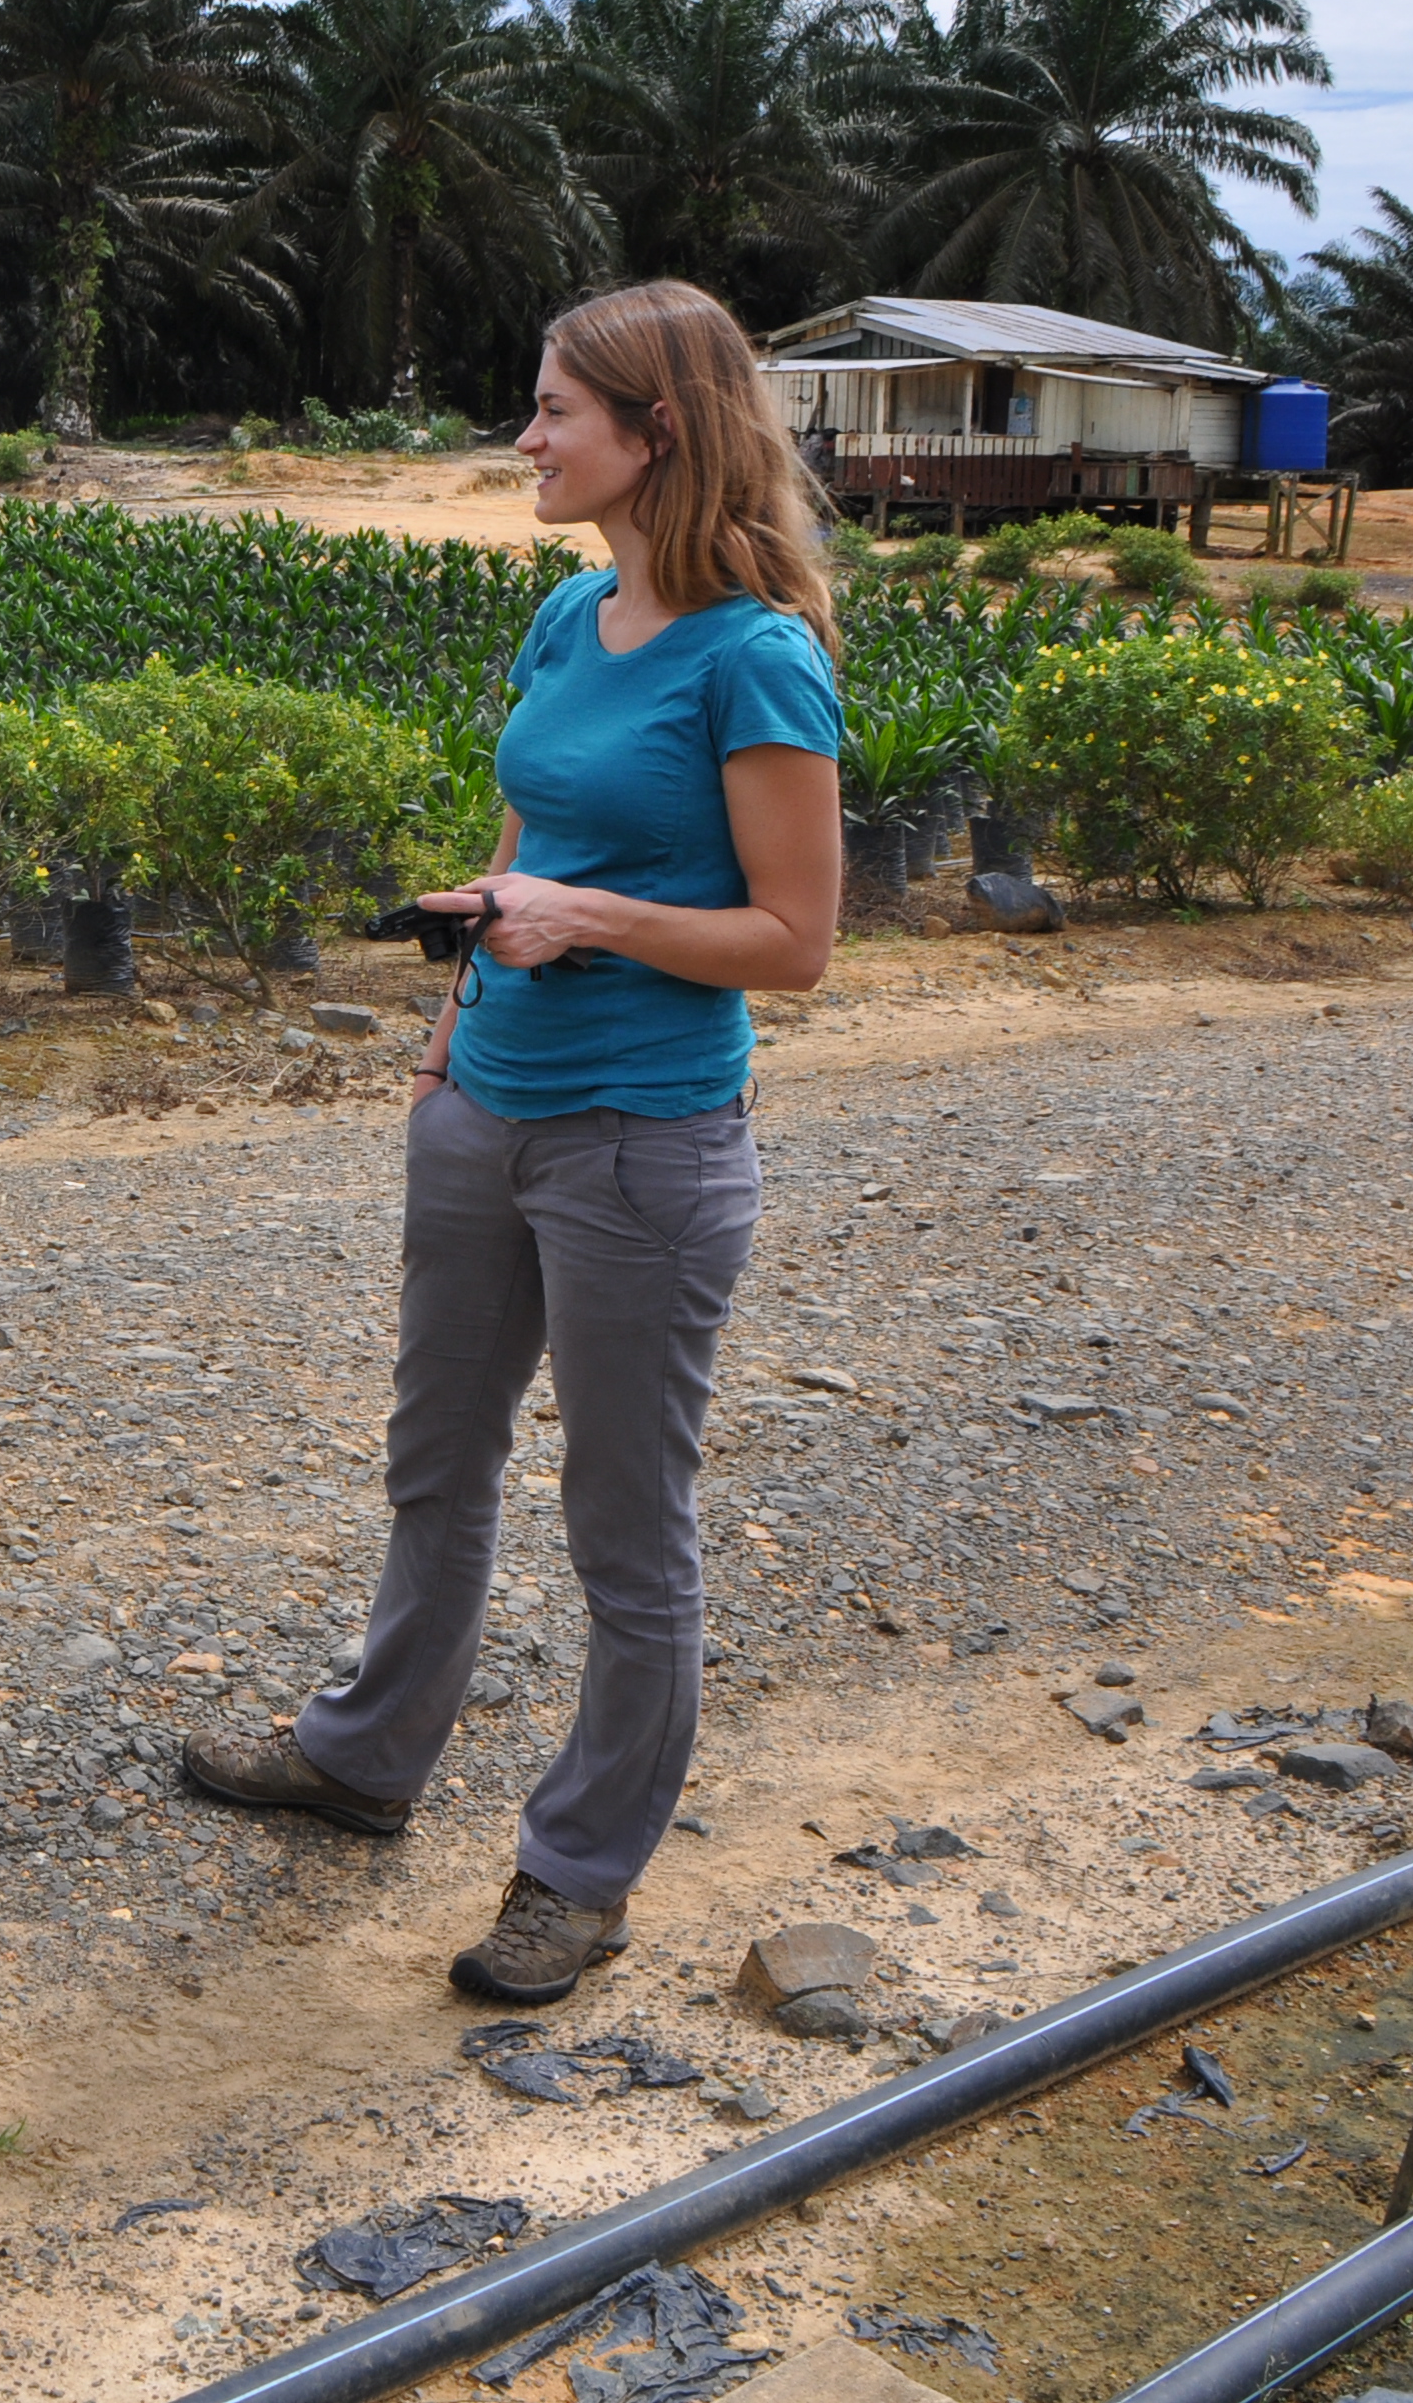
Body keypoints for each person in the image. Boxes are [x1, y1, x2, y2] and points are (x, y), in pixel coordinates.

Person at [180, 279, 842, 2006]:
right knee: (435, 1462)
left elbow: (795, 943)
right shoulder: (569, 617)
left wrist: (593, 919)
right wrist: (450, 1021)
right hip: (488, 1109)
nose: (527, 439)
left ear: (660, 433)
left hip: (645, 1141)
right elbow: (528, 833)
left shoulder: (756, 656)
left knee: (629, 1525)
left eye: (554, 411)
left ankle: (580, 1873)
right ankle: (364, 1757)